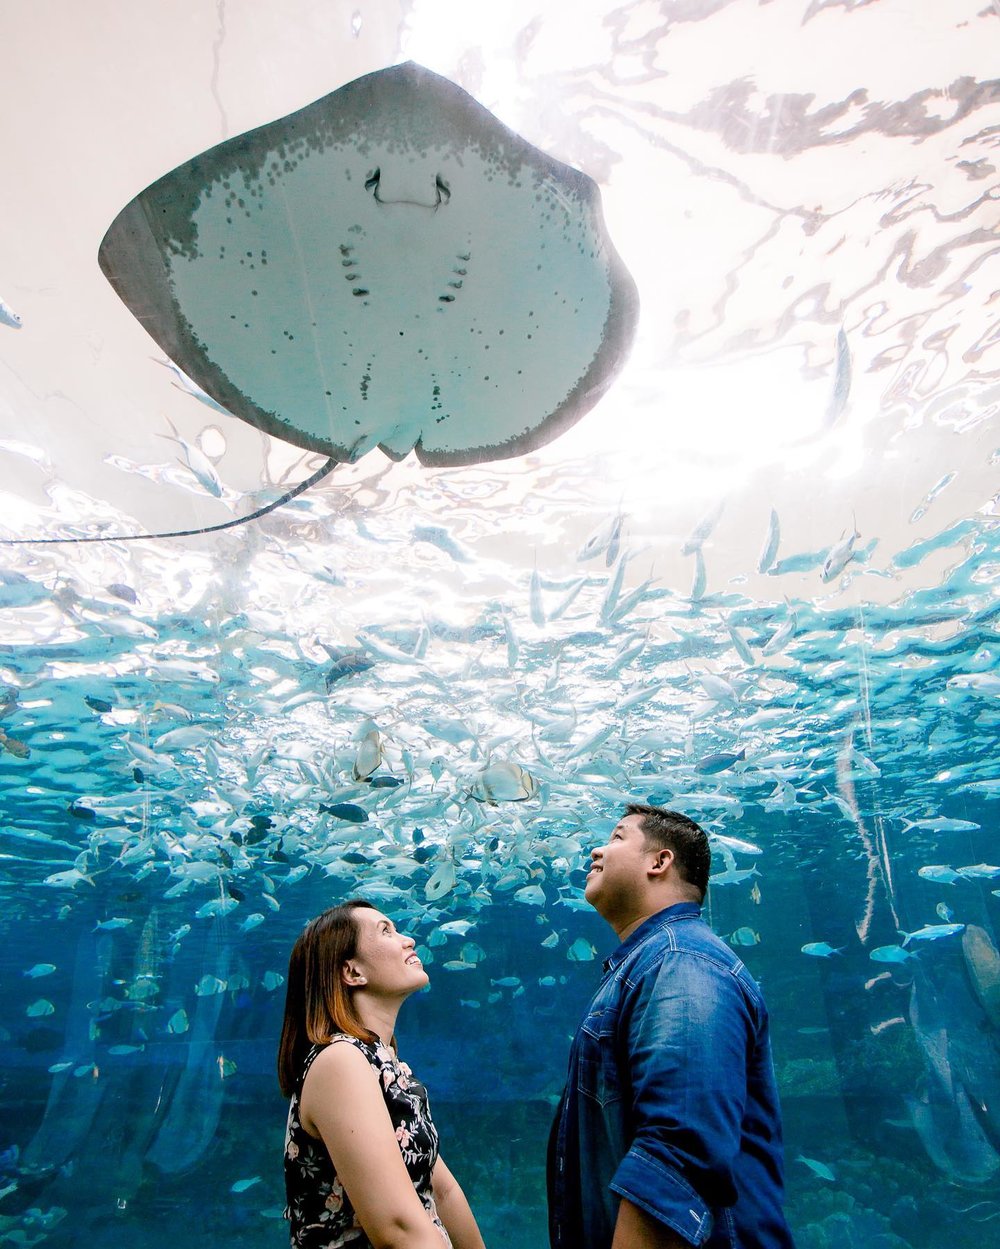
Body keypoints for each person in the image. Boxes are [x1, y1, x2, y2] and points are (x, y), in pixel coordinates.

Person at [548, 804, 795, 1249]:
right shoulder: (653, 962)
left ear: (659, 862)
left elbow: (679, 1148)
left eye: (617, 837)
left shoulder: (682, 962)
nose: (596, 850)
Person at [278, 900, 486, 1249]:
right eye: (386, 931)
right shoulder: (340, 1061)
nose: (408, 940)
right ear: (353, 972)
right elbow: (397, 1229)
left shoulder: (384, 1062)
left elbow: (444, 1191)